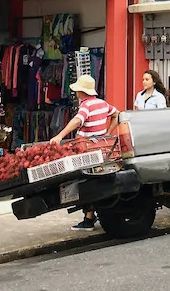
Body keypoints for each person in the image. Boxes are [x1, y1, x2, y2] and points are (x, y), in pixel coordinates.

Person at [50, 75, 119, 231]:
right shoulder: (102, 103)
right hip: (98, 149)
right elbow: (117, 114)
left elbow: (78, 120)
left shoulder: (86, 105)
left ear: (81, 92)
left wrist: (60, 136)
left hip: (85, 150)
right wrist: (107, 133)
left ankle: (88, 219)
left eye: (77, 91)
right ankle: (89, 217)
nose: (76, 94)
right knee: (93, 181)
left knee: (84, 183)